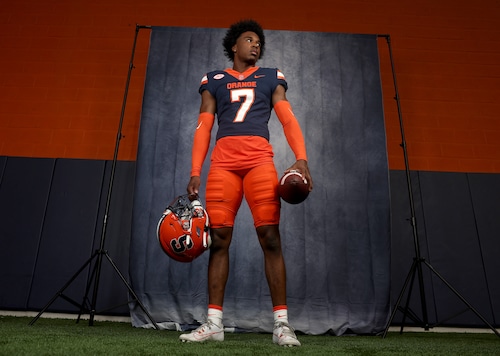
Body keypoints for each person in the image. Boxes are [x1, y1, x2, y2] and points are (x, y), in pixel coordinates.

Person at [180, 19, 313, 347]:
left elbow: (287, 117)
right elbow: (203, 127)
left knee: (270, 238)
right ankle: (214, 323)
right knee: (219, 239)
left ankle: (281, 325)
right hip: (224, 165)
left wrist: (302, 158)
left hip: (258, 163)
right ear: (233, 47)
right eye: (249, 40)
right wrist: (196, 170)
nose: (256, 45)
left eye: (259, 42)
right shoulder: (215, 80)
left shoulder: (271, 77)